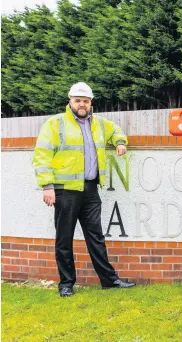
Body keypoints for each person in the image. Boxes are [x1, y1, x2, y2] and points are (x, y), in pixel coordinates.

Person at [33, 82, 136, 297]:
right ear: (70, 101)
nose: (82, 104)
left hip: (90, 189)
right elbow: (42, 155)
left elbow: (116, 129)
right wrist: (47, 186)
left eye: (86, 101)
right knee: (64, 238)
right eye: (78, 100)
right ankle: (66, 283)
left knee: (96, 236)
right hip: (65, 190)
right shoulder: (55, 124)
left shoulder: (98, 123)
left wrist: (119, 141)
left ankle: (109, 280)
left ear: (91, 103)